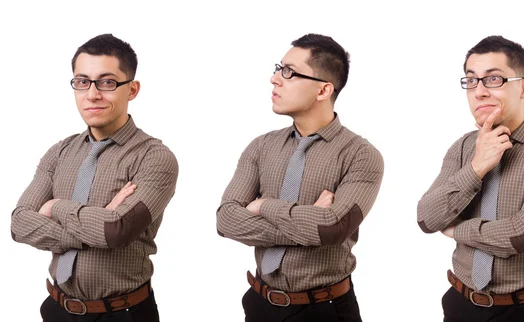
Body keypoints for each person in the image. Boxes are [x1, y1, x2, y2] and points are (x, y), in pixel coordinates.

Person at [10, 34, 178, 321]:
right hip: (56, 309)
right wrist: (97, 222)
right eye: (82, 81)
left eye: (107, 82)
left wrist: (56, 208)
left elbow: (118, 230)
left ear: (132, 89)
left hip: (123, 313)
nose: (92, 94)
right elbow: (19, 224)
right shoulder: (59, 152)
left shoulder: (155, 157)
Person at [217, 33, 384, 321]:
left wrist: (264, 206)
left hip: (325, 309)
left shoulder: (361, 155)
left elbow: (333, 227)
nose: (275, 79)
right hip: (259, 304)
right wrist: (308, 223)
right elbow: (226, 220)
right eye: (278, 68)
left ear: (323, 91)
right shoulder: (261, 146)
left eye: (289, 72)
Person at [417, 35, 524, 321]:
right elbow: (426, 219)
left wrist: (457, 230)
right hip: (459, 304)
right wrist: (476, 167)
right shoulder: (464, 147)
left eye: (493, 80)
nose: (479, 91)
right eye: (471, 80)